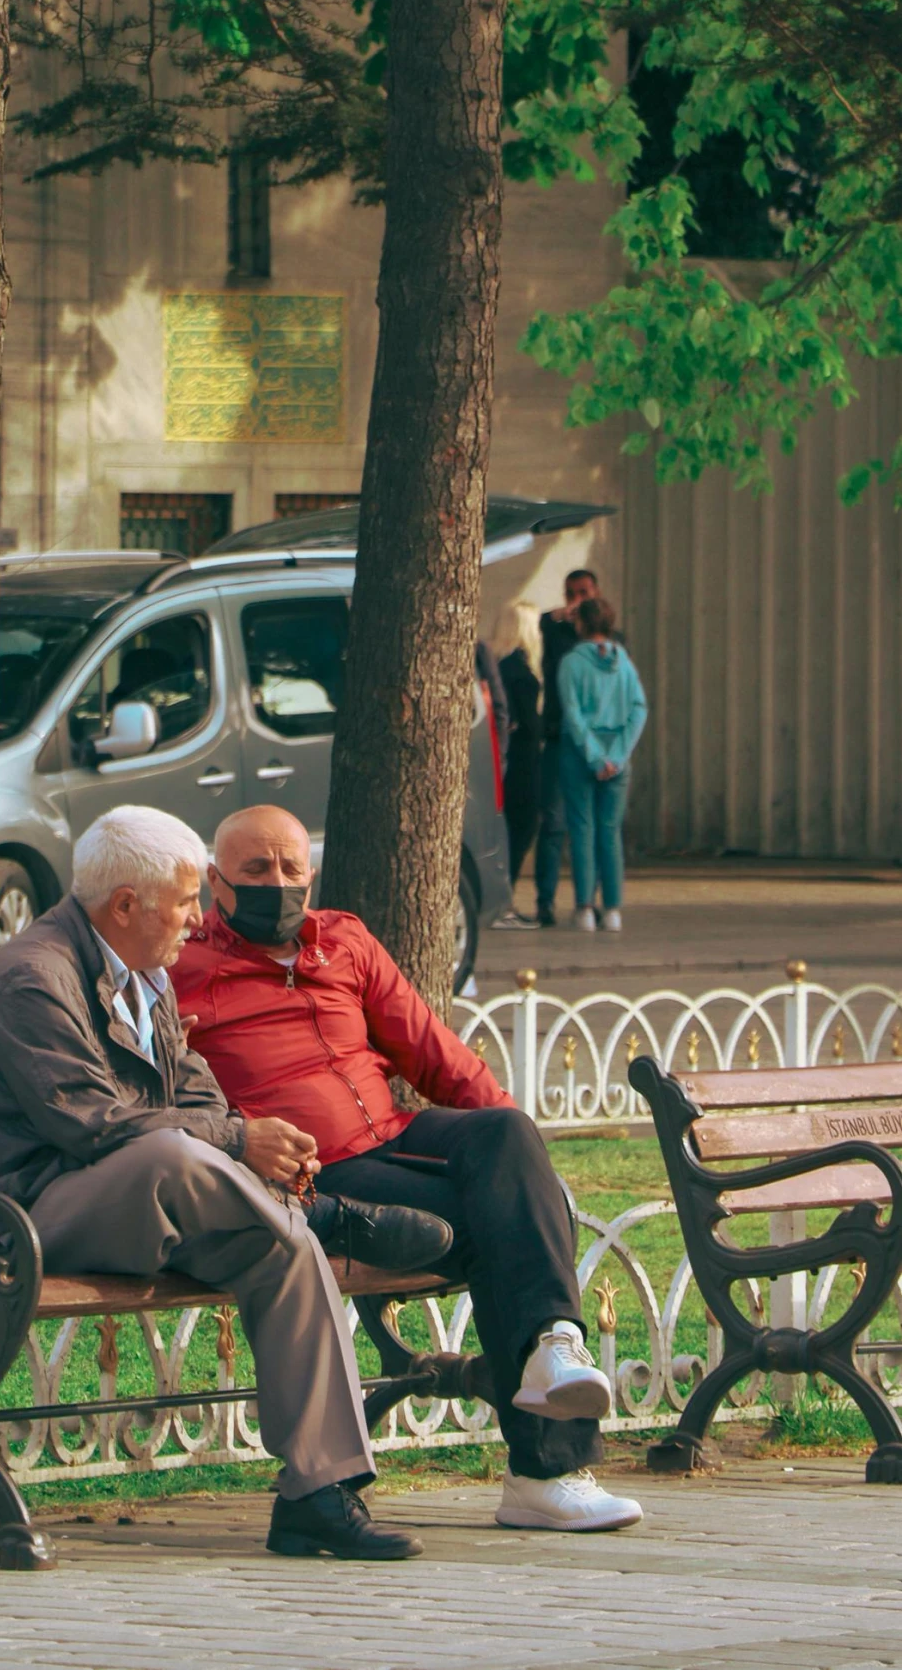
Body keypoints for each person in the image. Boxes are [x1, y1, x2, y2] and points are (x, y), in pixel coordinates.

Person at [0, 804, 452, 1563]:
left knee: (284, 1254)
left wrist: (250, 1146)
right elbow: (92, 1125)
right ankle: (318, 1214)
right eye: (184, 900)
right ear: (126, 904)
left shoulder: (148, 973)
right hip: (14, 1213)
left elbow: (195, 1092)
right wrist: (239, 1142)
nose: (198, 917)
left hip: (130, 1198)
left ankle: (316, 1493)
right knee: (172, 1155)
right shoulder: (33, 979)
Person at [174, 804, 643, 1535]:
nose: (277, 882)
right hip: (314, 1171)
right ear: (215, 881)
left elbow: (435, 1055)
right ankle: (545, 1473)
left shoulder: (344, 941)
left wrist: (530, 1168)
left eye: (291, 868)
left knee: (506, 1131)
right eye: (255, 870)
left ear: (312, 871)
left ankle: (555, 1345)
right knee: (502, 1230)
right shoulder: (182, 968)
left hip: (395, 1137)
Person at [558, 597, 648, 933]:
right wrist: (618, 755)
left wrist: (595, 756)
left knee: (582, 829)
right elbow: (638, 709)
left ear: (580, 624)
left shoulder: (571, 663)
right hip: (618, 753)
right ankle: (613, 909)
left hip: (580, 753)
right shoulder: (622, 660)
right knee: (610, 832)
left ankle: (584, 907)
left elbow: (573, 713)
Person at [534, 568, 599, 928]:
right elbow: (552, 651)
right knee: (554, 824)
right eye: (572, 593)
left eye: (585, 593)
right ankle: (545, 902)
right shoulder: (554, 629)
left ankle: (589, 902)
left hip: (594, 742)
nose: (578, 600)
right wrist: (566, 620)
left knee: (590, 826)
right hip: (560, 738)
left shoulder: (609, 638)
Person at [492, 600, 544, 904]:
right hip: (524, 758)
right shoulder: (521, 670)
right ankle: (506, 895)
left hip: (510, 758)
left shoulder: (501, 664)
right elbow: (529, 721)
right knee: (523, 825)